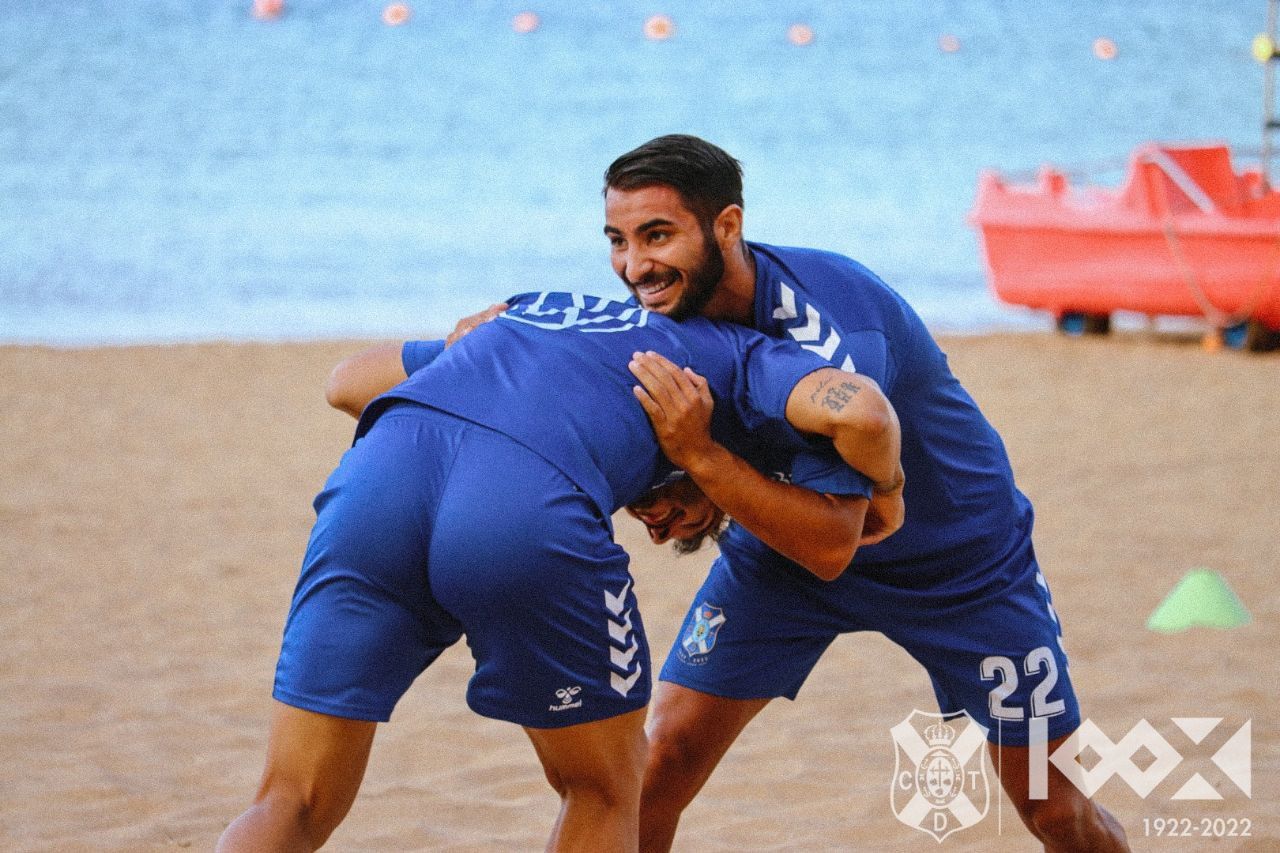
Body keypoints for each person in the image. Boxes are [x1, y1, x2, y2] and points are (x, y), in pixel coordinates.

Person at [217, 290, 903, 852]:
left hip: (378, 478)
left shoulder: (537, 307)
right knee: (605, 788)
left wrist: (456, 345)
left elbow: (344, 384)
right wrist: (891, 488)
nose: (659, 524)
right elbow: (866, 410)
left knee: (292, 799)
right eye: (700, 518)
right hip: (521, 503)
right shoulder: (736, 361)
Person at [598, 135, 1131, 851]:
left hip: (962, 568)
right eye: (618, 241)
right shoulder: (670, 314)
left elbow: (831, 543)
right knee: (658, 765)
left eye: (657, 235)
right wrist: (692, 487)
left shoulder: (831, 332)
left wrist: (703, 458)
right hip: (777, 558)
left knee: (1059, 813)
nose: (636, 268)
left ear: (727, 226)